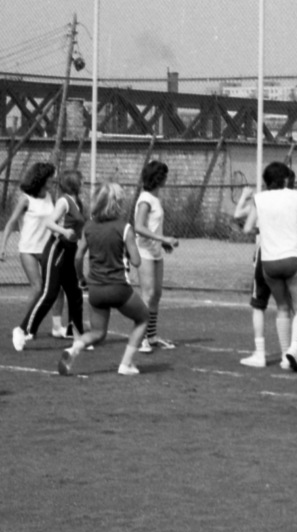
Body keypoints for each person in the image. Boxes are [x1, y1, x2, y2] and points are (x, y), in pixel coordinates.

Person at [58, 182, 150, 377]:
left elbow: (78, 257)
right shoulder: (124, 227)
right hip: (118, 288)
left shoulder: (89, 227)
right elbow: (136, 261)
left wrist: (81, 278)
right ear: (118, 204)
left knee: (98, 333)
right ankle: (126, 364)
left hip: (96, 289)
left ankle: (75, 348)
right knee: (143, 318)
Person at [233, 167, 297, 368]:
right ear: (284, 179)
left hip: (269, 261)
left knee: (281, 308)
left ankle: (285, 357)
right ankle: (295, 349)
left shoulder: (260, 198)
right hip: (292, 257)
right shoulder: (295, 196)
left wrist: (266, 228)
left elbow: (247, 228)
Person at [15, 167, 86, 347]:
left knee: (75, 293)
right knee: (49, 293)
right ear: (73, 184)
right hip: (57, 249)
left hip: (69, 250)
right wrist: (64, 231)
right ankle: (24, 330)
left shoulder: (78, 202)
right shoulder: (64, 201)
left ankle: (77, 335)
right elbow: (49, 223)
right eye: (80, 180)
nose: (83, 183)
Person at [0, 160, 58, 350]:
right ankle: (24, 327)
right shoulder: (26, 198)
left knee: (55, 288)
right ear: (42, 179)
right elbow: (11, 222)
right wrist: (3, 247)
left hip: (48, 248)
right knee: (38, 288)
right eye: (50, 178)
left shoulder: (50, 196)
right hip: (29, 249)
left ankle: (56, 326)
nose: (53, 181)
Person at [132, 159, 181, 352]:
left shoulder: (155, 198)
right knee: (148, 294)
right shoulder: (145, 199)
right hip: (143, 251)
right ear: (158, 178)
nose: (166, 179)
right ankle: (142, 338)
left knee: (157, 294)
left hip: (155, 251)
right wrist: (163, 238)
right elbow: (138, 226)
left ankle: (151, 336)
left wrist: (162, 242)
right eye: (164, 175)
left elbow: (152, 225)